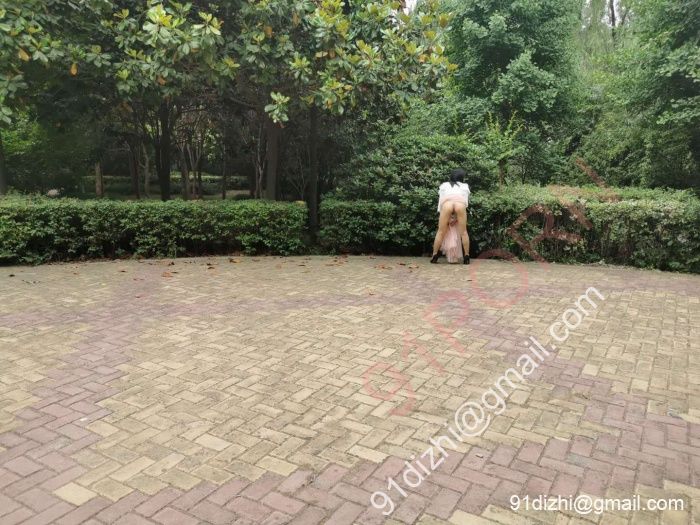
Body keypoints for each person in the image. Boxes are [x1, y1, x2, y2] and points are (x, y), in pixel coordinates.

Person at [431, 169, 470, 265]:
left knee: (440, 231)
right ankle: (466, 256)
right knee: (464, 232)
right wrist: (456, 217)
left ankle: (435, 255)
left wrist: (445, 215)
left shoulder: (444, 185)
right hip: (460, 204)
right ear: (461, 178)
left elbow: (440, 202)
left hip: (447, 204)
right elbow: (465, 202)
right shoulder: (465, 186)